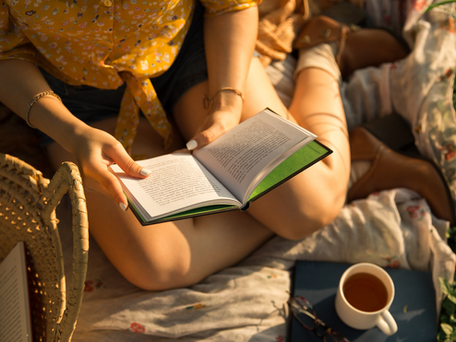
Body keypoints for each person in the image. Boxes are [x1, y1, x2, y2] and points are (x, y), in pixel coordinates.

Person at [0, 0, 352, 291]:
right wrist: (73, 133)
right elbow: (4, 51)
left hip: (191, 51)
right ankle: (280, 192)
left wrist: (228, 104)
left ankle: (320, 52)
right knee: (159, 264)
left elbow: (232, 5)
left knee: (311, 206)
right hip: (72, 99)